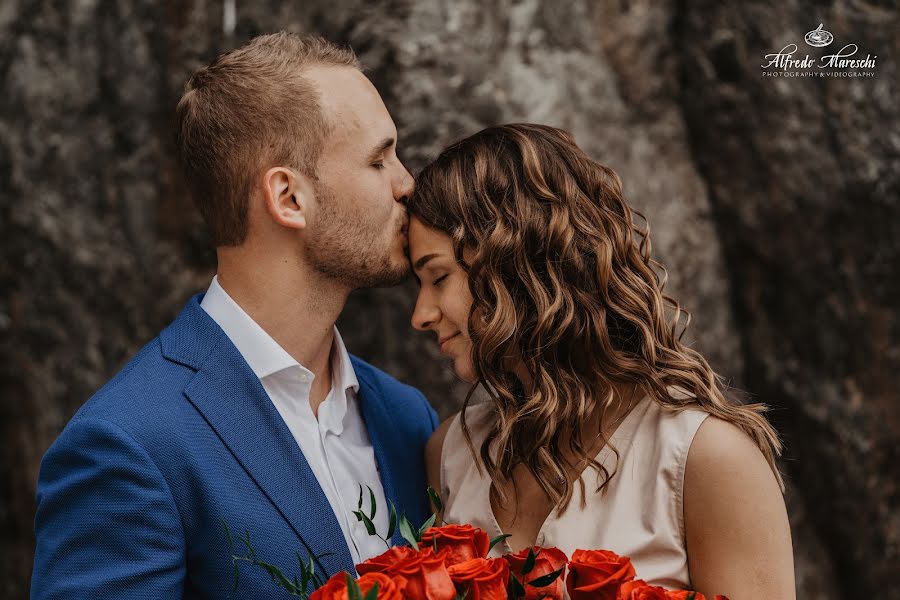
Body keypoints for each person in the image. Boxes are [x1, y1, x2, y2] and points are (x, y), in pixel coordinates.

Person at [31, 33, 437, 599]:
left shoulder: (407, 417)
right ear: (289, 197)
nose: (406, 183)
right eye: (378, 159)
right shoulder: (130, 445)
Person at [408, 123, 795, 599]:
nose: (420, 315)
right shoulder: (451, 455)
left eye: (438, 277)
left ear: (513, 266)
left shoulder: (706, 459)